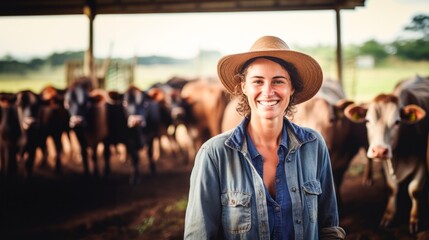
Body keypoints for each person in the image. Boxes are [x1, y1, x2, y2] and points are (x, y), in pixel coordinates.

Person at [184, 35, 346, 240]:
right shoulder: (214, 154)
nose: (268, 92)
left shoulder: (314, 146)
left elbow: (328, 228)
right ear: (243, 87)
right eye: (257, 81)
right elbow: (199, 235)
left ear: (292, 87)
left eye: (278, 81)